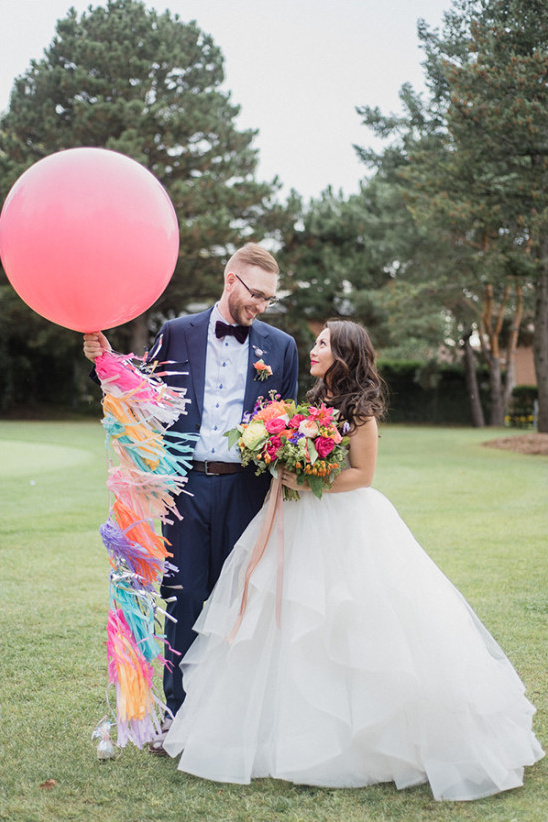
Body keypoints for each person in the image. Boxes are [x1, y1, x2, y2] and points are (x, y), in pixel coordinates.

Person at [162, 319, 544, 801]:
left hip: (345, 523)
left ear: (343, 354)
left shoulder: (361, 411)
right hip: (297, 522)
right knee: (288, 621)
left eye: (322, 343)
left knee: (347, 620)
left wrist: (305, 480)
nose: (313, 349)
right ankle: (286, 730)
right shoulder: (313, 402)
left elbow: (363, 475)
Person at [83, 243, 299, 751]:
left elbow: (286, 422)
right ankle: (177, 715)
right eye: (256, 294)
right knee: (183, 596)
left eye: (269, 299)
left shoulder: (282, 346)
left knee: (242, 601)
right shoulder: (176, 333)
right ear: (230, 280)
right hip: (186, 489)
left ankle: (232, 715)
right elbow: (145, 397)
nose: (260, 306)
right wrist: (105, 360)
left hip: (249, 490)